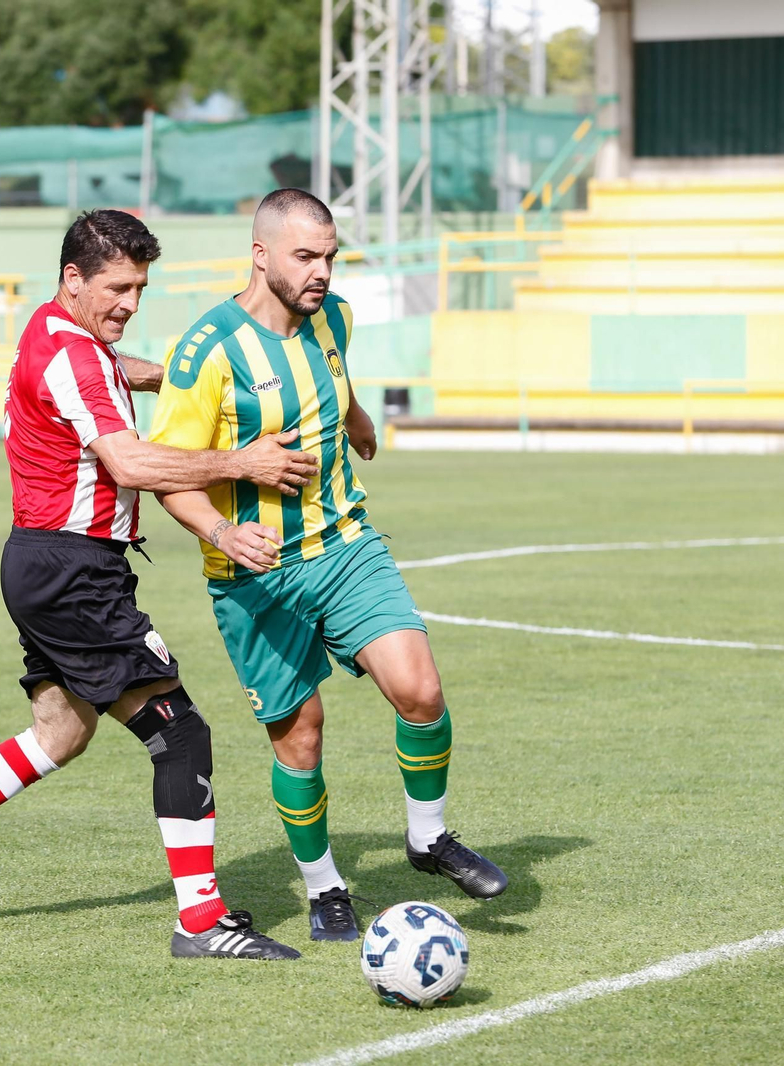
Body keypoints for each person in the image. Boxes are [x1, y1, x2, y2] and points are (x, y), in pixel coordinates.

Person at [0, 209, 320, 960]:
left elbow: (119, 374)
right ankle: (201, 924)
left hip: (47, 564)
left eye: (140, 288)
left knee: (60, 734)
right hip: (73, 571)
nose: (129, 304)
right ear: (72, 277)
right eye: (117, 288)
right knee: (180, 732)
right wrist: (242, 461)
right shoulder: (77, 360)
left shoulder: (56, 330)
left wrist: (183, 374)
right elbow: (134, 465)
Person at [146, 188, 508, 944]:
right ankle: (325, 887)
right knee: (300, 736)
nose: (321, 272)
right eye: (306, 257)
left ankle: (428, 838)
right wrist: (221, 528)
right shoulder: (206, 351)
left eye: (331, 256)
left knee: (420, 689)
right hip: (254, 579)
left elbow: (333, 386)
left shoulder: (333, 318)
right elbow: (166, 471)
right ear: (261, 254)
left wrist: (359, 419)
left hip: (345, 546)